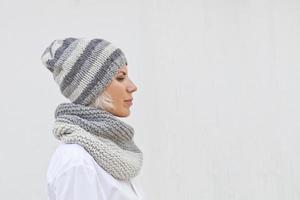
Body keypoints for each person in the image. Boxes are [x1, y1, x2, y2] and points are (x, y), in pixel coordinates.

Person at [41, 37, 144, 200]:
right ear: (93, 89)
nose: (132, 87)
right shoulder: (77, 161)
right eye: (120, 77)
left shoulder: (112, 152)